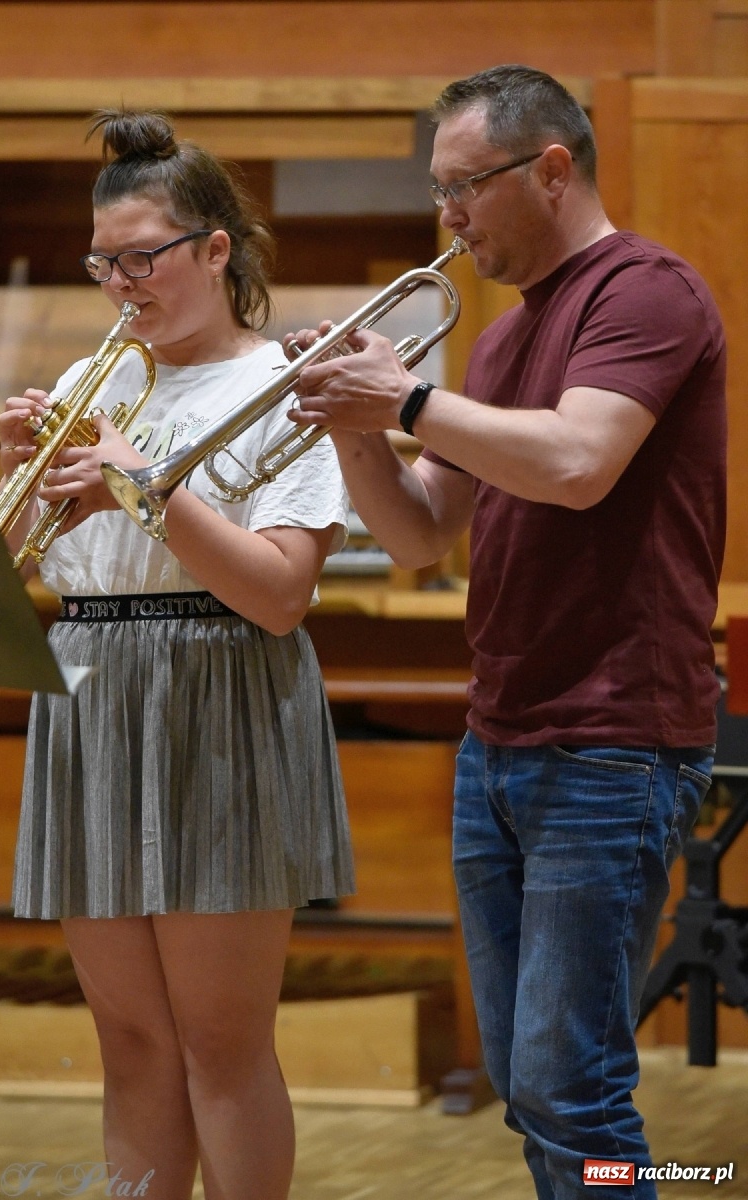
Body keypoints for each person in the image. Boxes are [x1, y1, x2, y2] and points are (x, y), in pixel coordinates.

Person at [283, 66, 726, 1200]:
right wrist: (352, 429)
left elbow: (579, 465)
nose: (447, 218)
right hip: (501, 742)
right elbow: (424, 532)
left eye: (463, 188)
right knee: (534, 1087)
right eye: (438, 191)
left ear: (551, 170)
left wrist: (410, 404)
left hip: (612, 741)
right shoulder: (498, 341)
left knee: (568, 1082)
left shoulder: (646, 292)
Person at [0, 109, 354, 1200]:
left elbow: (281, 594)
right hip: (91, 689)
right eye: (104, 261)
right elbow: (14, 563)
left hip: (219, 686)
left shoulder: (286, 388)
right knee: (133, 1044)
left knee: (219, 1045)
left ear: (214, 251)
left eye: (143, 257)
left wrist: (143, 491)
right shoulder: (84, 389)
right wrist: (22, 471)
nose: (121, 284)